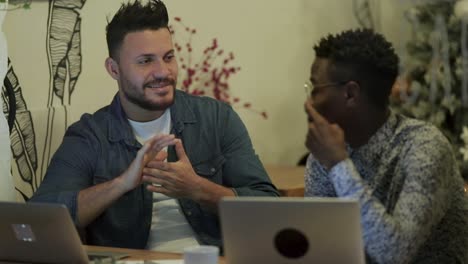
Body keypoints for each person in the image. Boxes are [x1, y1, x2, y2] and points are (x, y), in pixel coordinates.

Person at [30, 0, 278, 252]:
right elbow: (40, 219)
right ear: (114, 69)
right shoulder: (89, 136)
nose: (162, 72)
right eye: (145, 61)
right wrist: (122, 184)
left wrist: (198, 189)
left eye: (168, 57)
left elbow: (269, 208)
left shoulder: (216, 118)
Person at [304, 29, 468, 264]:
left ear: (350, 94)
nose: (309, 102)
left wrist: (339, 165)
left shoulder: (425, 147)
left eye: (316, 88)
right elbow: (318, 246)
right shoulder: (323, 157)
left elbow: (393, 254)